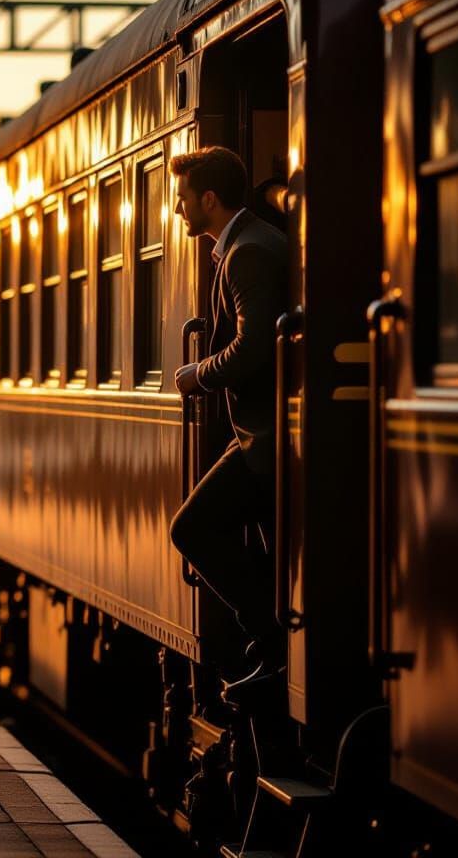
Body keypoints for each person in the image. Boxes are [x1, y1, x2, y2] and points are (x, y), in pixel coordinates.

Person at [169, 147, 288, 695]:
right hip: (259, 433)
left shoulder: (248, 253)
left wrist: (199, 374)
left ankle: (268, 639)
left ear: (208, 200)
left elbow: (253, 346)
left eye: (183, 198)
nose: (178, 209)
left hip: (264, 438)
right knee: (269, 551)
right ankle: (274, 652)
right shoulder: (243, 245)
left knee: (191, 528)